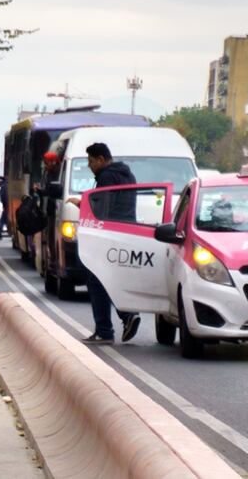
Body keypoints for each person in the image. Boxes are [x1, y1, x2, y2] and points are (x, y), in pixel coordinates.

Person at [81, 142, 141, 345]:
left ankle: (106, 329)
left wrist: (82, 204)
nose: (89, 166)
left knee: (96, 279)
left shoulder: (106, 177)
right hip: (127, 232)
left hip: (108, 233)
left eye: (91, 161)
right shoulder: (127, 174)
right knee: (114, 277)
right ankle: (127, 315)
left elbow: (102, 207)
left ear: (101, 159)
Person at [0, 176, 9, 240]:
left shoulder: (3, 188)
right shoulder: (6, 185)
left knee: (2, 221)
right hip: (7, 206)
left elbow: (4, 198)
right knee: (2, 221)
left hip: (6, 206)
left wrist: (4, 206)